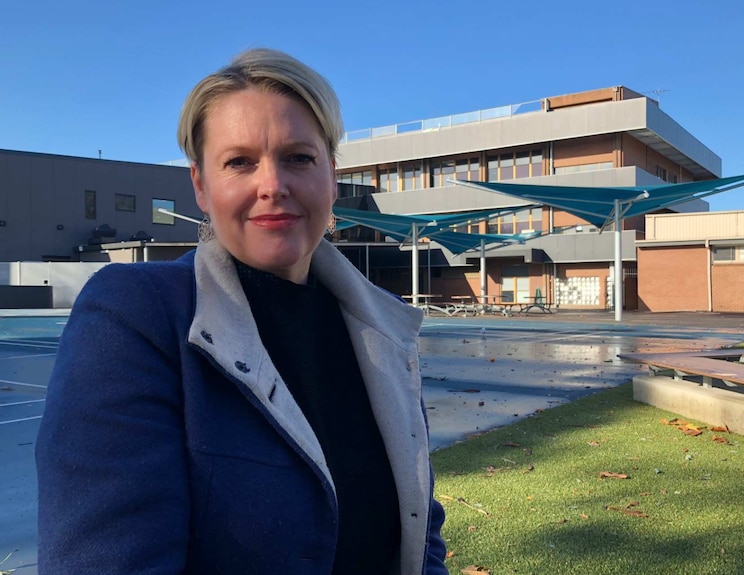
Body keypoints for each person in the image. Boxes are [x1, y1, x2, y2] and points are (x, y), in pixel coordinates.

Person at [36, 48, 449, 574]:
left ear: (333, 176)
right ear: (201, 187)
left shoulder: (383, 331)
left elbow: (421, 533)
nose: (272, 185)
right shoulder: (136, 316)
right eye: (240, 162)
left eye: (299, 157)